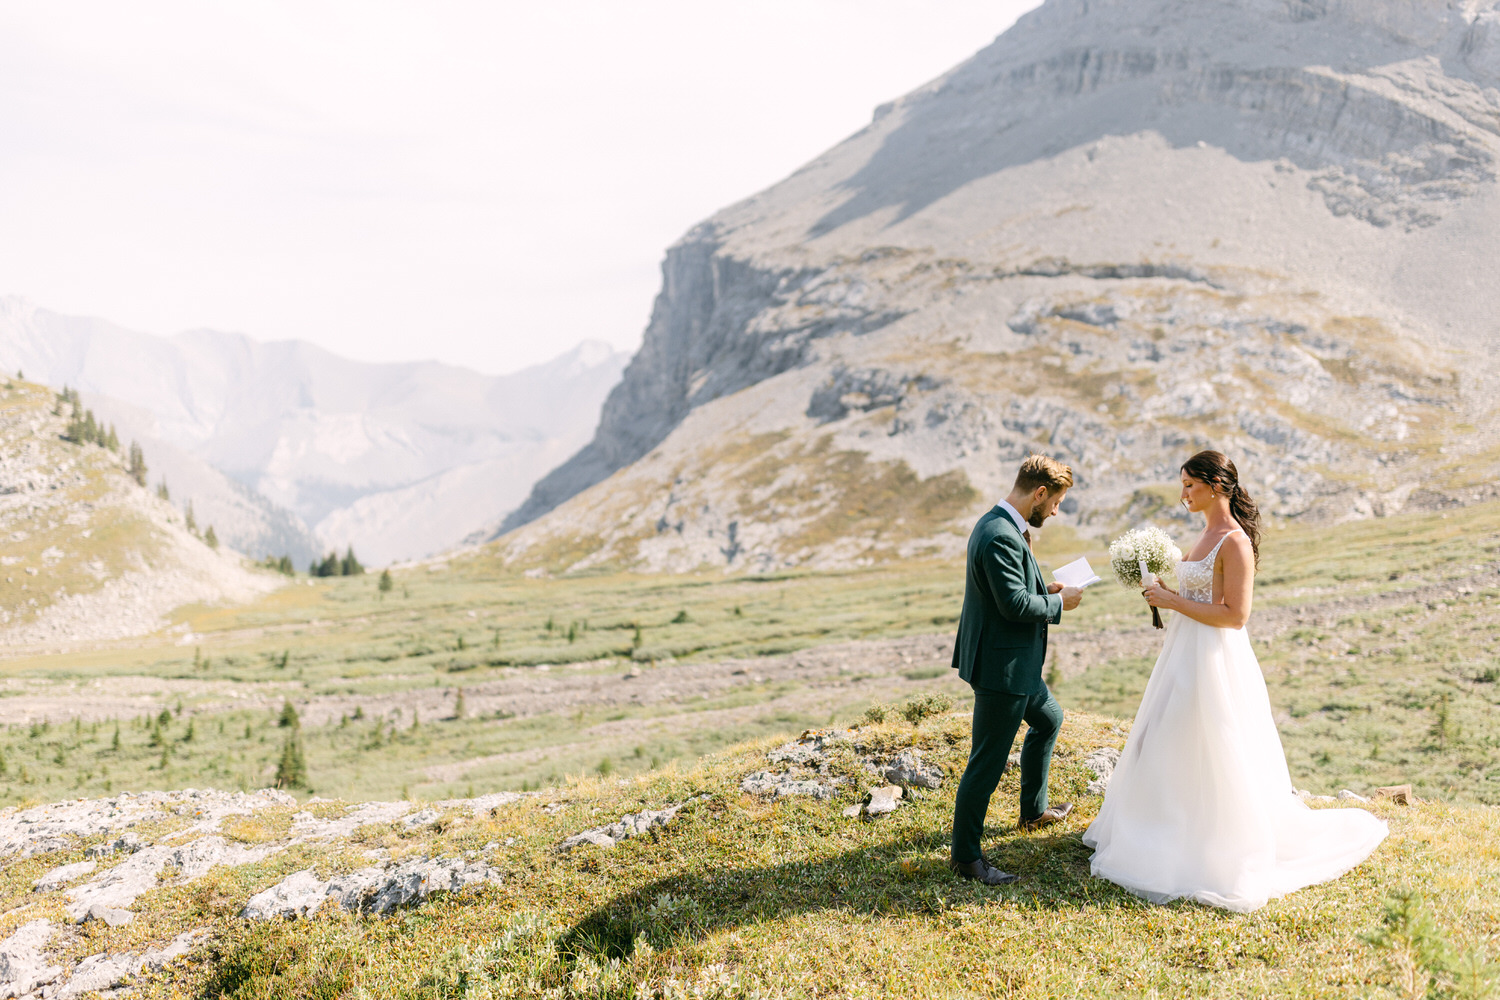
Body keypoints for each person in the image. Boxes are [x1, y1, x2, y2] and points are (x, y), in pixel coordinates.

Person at [1082, 451, 1387, 911]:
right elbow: (1193, 594)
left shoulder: (1234, 542)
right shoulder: (1203, 534)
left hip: (1215, 661)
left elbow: (1235, 615)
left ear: (1216, 485)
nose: (1182, 494)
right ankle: (1164, 827)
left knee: (1215, 745)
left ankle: (1214, 844)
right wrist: (1161, 589)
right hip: (1182, 655)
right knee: (1168, 739)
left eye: (1189, 485)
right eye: (1182, 485)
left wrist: (1172, 600)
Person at [948, 454, 1084, 885]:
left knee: (1049, 719)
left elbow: (1015, 588)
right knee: (985, 764)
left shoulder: (1002, 525)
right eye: (1056, 503)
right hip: (1001, 668)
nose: (1055, 512)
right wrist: (1061, 603)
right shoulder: (999, 535)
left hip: (1016, 663)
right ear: (1039, 494)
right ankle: (966, 858)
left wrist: (1047, 587)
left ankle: (1032, 811)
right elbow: (1015, 605)